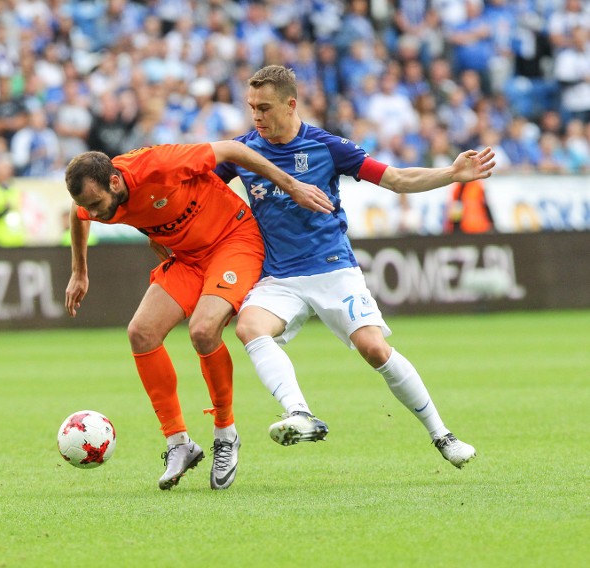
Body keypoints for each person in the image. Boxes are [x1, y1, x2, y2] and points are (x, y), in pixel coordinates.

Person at [214, 65, 495, 469]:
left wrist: (451, 174)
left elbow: (396, 178)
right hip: (278, 275)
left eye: (264, 107)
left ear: (291, 105)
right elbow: (198, 188)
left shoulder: (328, 147)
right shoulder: (242, 151)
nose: (256, 116)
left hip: (333, 270)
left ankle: (443, 435)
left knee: (374, 349)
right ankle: (299, 412)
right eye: (251, 108)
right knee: (249, 327)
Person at [64, 142, 332, 490]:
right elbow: (76, 213)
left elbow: (234, 150)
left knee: (203, 331)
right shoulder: (93, 198)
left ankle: (226, 434)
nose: (95, 215)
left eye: (96, 205)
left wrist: (291, 185)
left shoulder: (160, 165)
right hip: (188, 257)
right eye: (89, 207)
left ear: (115, 182)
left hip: (232, 241)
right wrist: (79, 272)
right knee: (141, 333)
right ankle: (179, 444)